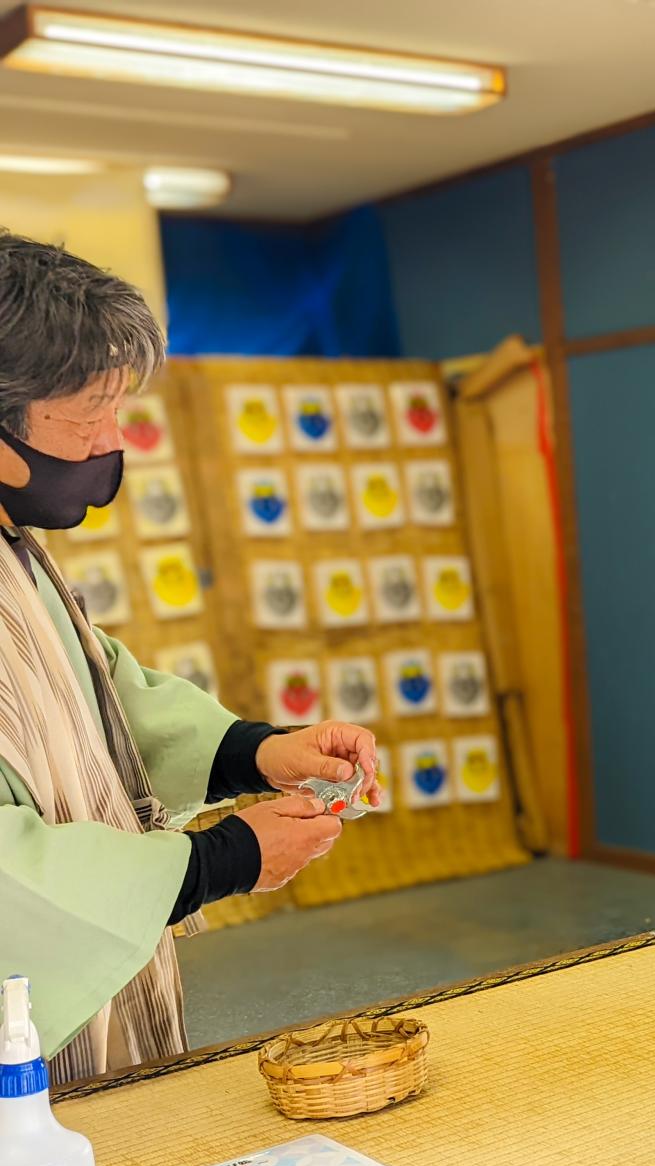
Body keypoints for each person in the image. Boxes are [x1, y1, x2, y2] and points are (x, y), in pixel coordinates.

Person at [0, 231, 381, 1084]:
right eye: (87, 411)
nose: (112, 437)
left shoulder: (14, 545)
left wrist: (254, 751)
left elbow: (97, 692)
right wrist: (222, 860)